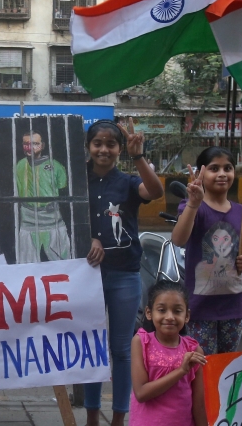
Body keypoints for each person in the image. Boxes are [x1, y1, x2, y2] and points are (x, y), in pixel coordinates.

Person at [84, 118, 165, 426]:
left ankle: (119, 418)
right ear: (89, 148)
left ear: (119, 149)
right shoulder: (77, 182)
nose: (104, 149)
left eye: (111, 144)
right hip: (88, 275)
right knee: (91, 348)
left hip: (125, 274)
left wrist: (138, 156)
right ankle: (92, 416)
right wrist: (87, 237)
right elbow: (66, 219)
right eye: (98, 143)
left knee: (121, 349)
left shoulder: (129, 182)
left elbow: (155, 191)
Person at [171, 147, 242, 356]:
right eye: (214, 168)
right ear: (202, 173)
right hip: (199, 307)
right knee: (203, 366)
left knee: (226, 366)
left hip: (234, 305)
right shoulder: (192, 207)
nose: (221, 174)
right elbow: (178, 239)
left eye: (227, 168)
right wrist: (193, 203)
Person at [129, 281, 207, 426]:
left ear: (187, 315)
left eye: (177, 311)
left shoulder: (194, 351)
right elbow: (141, 393)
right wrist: (181, 371)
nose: (170, 316)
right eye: (162, 310)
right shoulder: (140, 343)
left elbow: (199, 404)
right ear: (149, 313)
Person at [14, 128, 71, 263]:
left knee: (62, 260)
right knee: (27, 263)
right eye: (26, 143)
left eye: (34, 143)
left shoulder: (55, 166)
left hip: (52, 219)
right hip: (27, 219)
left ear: (42, 145)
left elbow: (63, 189)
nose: (29, 147)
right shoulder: (19, 165)